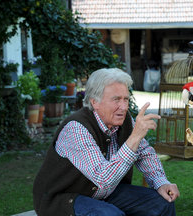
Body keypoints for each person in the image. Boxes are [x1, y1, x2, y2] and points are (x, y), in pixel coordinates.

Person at [33, 68, 180, 216]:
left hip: (106, 193)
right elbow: (103, 179)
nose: (123, 107)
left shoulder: (125, 120)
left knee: (162, 204)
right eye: (116, 99)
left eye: (126, 99)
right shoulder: (76, 129)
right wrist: (134, 138)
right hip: (66, 198)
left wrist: (161, 182)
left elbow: (144, 154)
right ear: (95, 102)